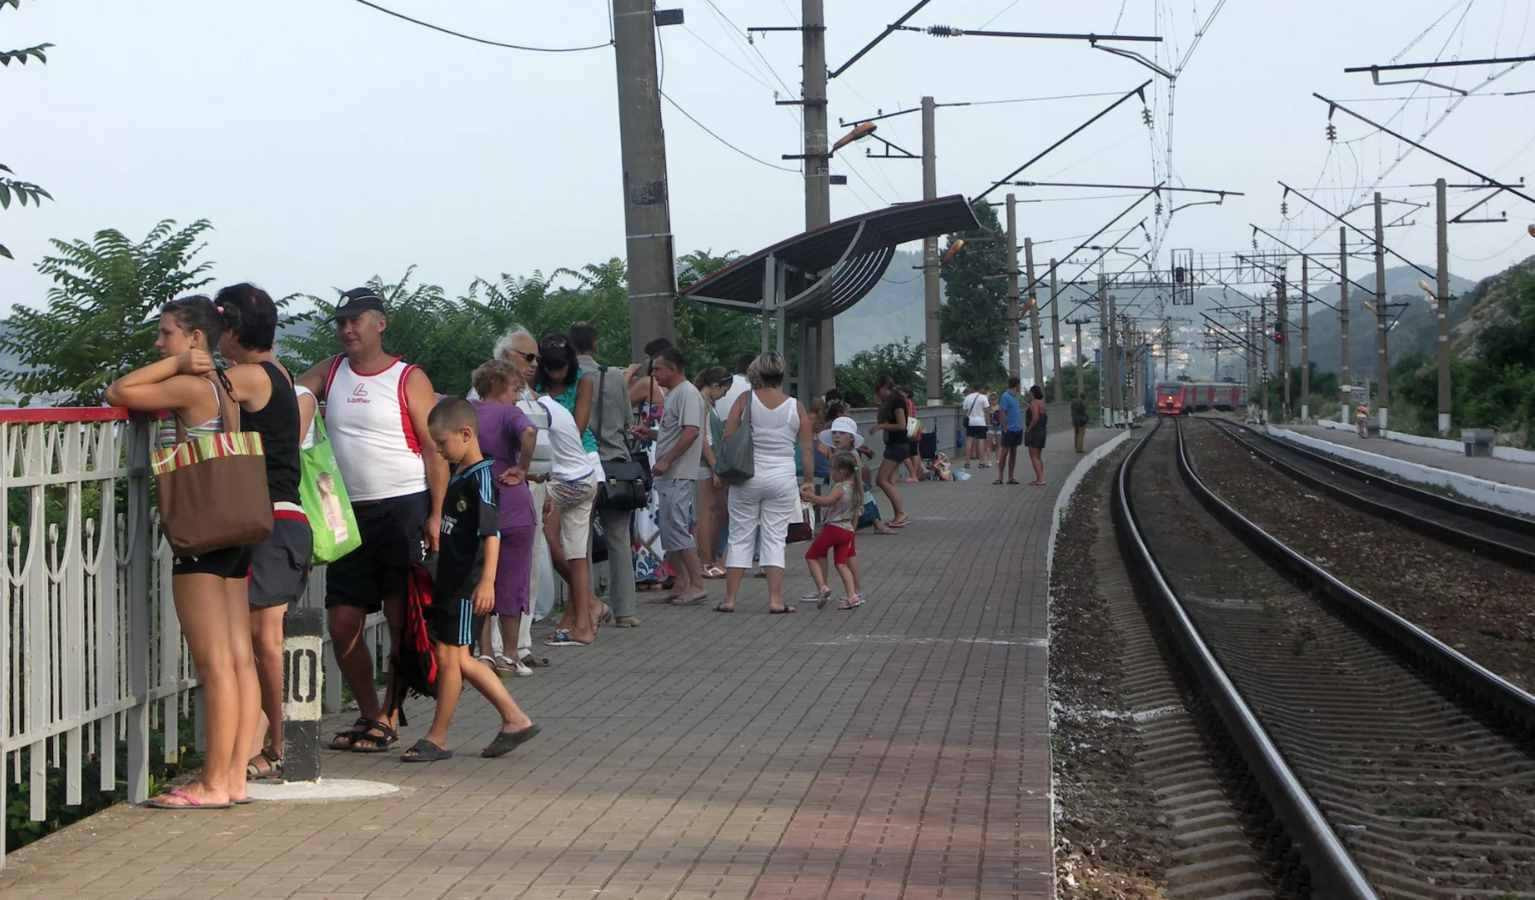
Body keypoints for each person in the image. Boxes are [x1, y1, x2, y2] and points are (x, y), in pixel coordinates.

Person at [105, 296, 259, 808]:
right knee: (237, 660)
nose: (158, 342)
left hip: (202, 534)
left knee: (214, 666)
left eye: (166, 333)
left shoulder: (192, 385)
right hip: (235, 532)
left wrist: (176, 364)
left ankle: (212, 784)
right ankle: (232, 779)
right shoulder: (224, 386)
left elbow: (118, 391)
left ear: (194, 338)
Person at [296, 287, 447, 754]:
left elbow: (433, 448)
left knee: (402, 621)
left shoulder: (408, 377)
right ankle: (368, 712)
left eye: (356, 320)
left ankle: (391, 713)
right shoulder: (331, 370)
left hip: (403, 506)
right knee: (343, 622)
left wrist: (436, 514)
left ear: (380, 324)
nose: (347, 330)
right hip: (348, 512)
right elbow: (290, 391)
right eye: (341, 322)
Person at [199, 284, 316, 785]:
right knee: (259, 639)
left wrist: (190, 362)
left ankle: (283, 744)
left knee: (266, 640)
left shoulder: (248, 376)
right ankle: (266, 742)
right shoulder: (279, 372)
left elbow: (202, 397)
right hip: (280, 521)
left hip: (273, 521)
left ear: (231, 330)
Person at [400, 398, 538, 762]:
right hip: (452, 581)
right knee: (457, 658)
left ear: (466, 434)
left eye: (442, 443)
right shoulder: (461, 473)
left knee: (452, 658)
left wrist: (487, 582)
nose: (439, 451)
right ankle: (514, 719)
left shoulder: (482, 478)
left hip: (468, 584)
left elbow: (491, 534)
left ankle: (438, 737)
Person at [716, 352, 815, 614]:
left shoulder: (745, 399)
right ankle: (775, 600)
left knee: (740, 535)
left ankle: (729, 600)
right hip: (782, 479)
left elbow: (728, 436)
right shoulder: (796, 406)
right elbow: (807, 449)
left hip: (746, 476)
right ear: (782, 374)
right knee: (774, 538)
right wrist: (808, 481)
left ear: (757, 373)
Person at [469, 360, 539, 676]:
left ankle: (485, 653)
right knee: (513, 580)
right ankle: (510, 654)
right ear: (499, 386)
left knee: (480, 580)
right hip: (512, 503)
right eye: (514, 389)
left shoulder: (467, 411)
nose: (517, 396)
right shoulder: (509, 413)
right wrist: (522, 467)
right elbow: (529, 431)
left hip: (477, 504)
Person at [571, 322, 640, 627]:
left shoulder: (568, 378)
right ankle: (626, 611)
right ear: (595, 343)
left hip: (581, 466)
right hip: (615, 465)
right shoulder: (613, 376)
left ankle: (586, 607)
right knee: (619, 538)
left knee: (580, 540)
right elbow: (626, 422)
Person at [530, 356, 601, 647]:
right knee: (577, 554)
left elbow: (531, 449)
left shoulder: (536, 408)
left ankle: (585, 607)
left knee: (542, 529)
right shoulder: (555, 406)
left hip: (567, 481)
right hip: (586, 477)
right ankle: (583, 624)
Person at [638, 347, 709, 606]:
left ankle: (697, 584)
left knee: (677, 528)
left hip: (678, 473)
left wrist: (667, 459)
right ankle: (681, 582)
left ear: (673, 369)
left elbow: (691, 431)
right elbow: (675, 431)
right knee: (669, 529)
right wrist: (651, 434)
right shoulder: (675, 394)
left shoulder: (687, 393)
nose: (654, 374)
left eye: (658, 369)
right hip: (670, 474)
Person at [799, 452, 865, 610]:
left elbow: (828, 501)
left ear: (841, 471)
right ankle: (852, 596)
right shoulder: (856, 488)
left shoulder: (840, 487)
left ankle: (822, 587)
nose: (831, 473)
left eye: (832, 469)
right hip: (848, 529)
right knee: (841, 564)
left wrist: (810, 497)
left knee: (811, 556)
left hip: (834, 528)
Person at [693, 366, 732, 579]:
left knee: (714, 511)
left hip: (709, 463)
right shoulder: (702, 403)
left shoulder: (707, 403)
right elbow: (703, 439)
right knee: (706, 513)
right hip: (705, 464)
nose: (724, 395)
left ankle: (708, 558)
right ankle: (705, 561)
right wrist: (715, 466)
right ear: (716, 385)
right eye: (724, 390)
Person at [869, 376, 911, 528]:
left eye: (878, 390)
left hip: (897, 445)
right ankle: (899, 514)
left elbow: (901, 425)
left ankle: (901, 513)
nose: (877, 394)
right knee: (889, 481)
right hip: (895, 445)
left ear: (884, 388)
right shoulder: (893, 400)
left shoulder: (897, 401)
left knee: (881, 480)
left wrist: (881, 426)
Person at [995, 378, 1024, 485]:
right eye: (1019, 385)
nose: (1020, 387)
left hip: (1017, 429)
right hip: (1009, 429)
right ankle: (1000, 477)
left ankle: (1011, 477)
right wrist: (1004, 427)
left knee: (1013, 453)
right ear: (1016, 385)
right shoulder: (1005, 396)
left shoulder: (1016, 396)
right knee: (1004, 453)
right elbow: (1002, 412)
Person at [1025, 384, 1048, 486]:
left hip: (1034, 432)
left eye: (1030, 393)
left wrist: (1029, 429)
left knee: (1034, 456)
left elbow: (1035, 418)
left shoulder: (1034, 403)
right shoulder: (1042, 403)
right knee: (1038, 456)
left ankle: (1040, 479)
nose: (1029, 394)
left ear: (1033, 393)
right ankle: (1040, 477)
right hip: (1042, 431)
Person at [961, 386, 990, 469]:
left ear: (973, 389)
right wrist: (988, 423)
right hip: (981, 422)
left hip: (970, 422)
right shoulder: (983, 397)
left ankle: (967, 462)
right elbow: (987, 411)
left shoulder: (967, 398)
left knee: (969, 441)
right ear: (980, 389)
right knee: (981, 441)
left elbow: (965, 411)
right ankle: (981, 463)